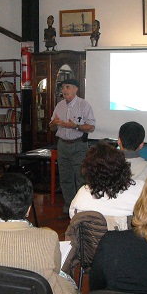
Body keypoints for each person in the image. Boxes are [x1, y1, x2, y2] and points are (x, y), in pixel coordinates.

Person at [69, 142, 143, 230]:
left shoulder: (82, 196)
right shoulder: (141, 190)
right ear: (124, 168)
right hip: (131, 242)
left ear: (89, 171)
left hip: (93, 243)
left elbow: (74, 218)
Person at [49, 78, 95, 217]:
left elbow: (91, 127)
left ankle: (81, 208)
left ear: (75, 89)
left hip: (79, 145)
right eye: (63, 87)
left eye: (67, 87)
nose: (64, 90)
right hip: (62, 145)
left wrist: (75, 126)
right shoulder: (59, 105)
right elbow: (51, 127)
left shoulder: (84, 105)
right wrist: (54, 123)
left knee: (80, 178)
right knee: (65, 178)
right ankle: (69, 207)